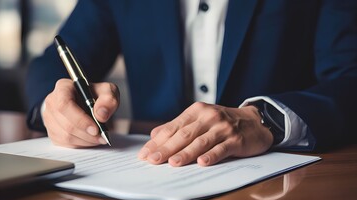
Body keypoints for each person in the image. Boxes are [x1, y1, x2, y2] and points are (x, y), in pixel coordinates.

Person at [26, 0, 357, 167]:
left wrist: (264, 118)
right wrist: (54, 106)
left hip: (286, 186)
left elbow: (349, 77)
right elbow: (51, 64)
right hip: (149, 180)